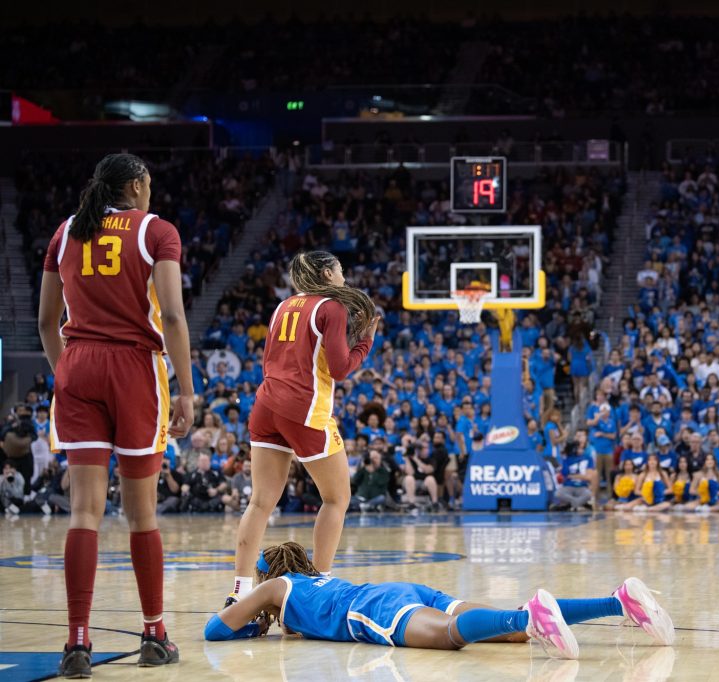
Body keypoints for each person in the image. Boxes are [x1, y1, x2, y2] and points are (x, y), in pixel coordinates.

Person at [37, 153, 194, 675]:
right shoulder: (156, 230)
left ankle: (77, 643)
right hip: (133, 369)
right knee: (141, 514)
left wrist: (68, 375)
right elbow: (171, 315)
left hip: (77, 365)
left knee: (83, 513)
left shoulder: (64, 232)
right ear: (135, 186)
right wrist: (188, 390)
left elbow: (45, 322)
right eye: (148, 183)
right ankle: (153, 633)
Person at [204, 541, 674, 660]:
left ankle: (533, 615)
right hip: (398, 590)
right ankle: (618, 602)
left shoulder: (276, 587)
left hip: (370, 611)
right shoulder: (313, 584)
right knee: (506, 630)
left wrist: (245, 608)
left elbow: (213, 630)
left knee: (451, 639)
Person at [229, 251, 379, 605]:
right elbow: (341, 369)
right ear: (328, 273)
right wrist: (366, 341)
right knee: (337, 498)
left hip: (266, 404)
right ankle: (320, 586)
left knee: (261, 501)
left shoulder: (283, 306)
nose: (343, 276)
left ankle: (238, 592)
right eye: (340, 270)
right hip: (304, 408)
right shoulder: (332, 308)